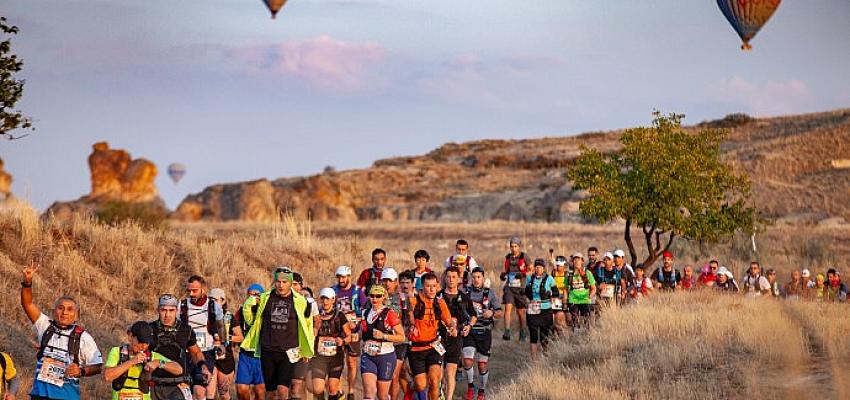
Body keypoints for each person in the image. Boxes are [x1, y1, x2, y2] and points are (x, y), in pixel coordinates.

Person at [20, 262, 103, 400]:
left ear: (76, 315)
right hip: (39, 395)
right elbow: (27, 304)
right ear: (54, 311)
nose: (64, 312)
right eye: (61, 308)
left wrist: (81, 371)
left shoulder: (83, 337)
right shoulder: (45, 326)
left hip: (67, 396)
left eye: (70, 309)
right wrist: (27, 282)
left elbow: (98, 366)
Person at [241, 267, 315, 400]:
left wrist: (307, 350)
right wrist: (250, 302)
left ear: (291, 283)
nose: (281, 285)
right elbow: (250, 320)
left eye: (285, 282)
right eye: (278, 282)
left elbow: (308, 327)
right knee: (270, 392)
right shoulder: (264, 298)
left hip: (289, 351)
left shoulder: (300, 301)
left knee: (283, 389)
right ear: (274, 282)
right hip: (268, 350)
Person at [149, 294, 210, 400]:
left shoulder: (186, 330)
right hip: (154, 384)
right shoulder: (149, 329)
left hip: (178, 385)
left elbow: (195, 352)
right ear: (158, 310)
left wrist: (203, 368)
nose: (167, 315)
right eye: (163, 310)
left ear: (176, 310)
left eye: (171, 310)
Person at [103, 321, 183, 400]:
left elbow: (178, 369)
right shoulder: (117, 352)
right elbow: (107, 376)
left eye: (147, 343)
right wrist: (131, 362)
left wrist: (159, 363)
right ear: (130, 336)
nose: (143, 346)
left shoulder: (152, 356)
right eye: (141, 342)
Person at [407, 273, 454, 400]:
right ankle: (413, 387)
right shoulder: (414, 301)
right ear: (422, 287)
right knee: (421, 385)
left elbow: (449, 321)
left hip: (433, 346)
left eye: (434, 286)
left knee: (434, 380)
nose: (432, 289)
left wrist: (452, 327)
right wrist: (411, 325)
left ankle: (436, 393)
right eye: (428, 286)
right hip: (416, 349)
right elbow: (406, 314)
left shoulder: (440, 303)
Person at [180, 276, 224, 400]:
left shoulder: (213, 306)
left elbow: (221, 326)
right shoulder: (182, 305)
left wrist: (222, 343)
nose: (191, 293)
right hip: (188, 352)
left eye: (194, 290)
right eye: (189, 290)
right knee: (185, 389)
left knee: (200, 390)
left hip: (206, 353)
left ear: (203, 289)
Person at [359, 285, 407, 400]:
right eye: (372, 296)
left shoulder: (390, 314)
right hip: (368, 356)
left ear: (383, 297)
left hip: (385, 357)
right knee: (369, 392)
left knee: (382, 395)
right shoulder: (364, 313)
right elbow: (362, 333)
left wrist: (384, 336)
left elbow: (401, 337)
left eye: (378, 296)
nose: (374, 299)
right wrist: (356, 335)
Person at [462, 267, 502, 400]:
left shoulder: (490, 293)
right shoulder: (465, 292)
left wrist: (492, 313)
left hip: (484, 333)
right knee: (467, 361)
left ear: (483, 278)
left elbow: (499, 312)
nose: (476, 280)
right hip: (469, 331)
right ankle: (470, 386)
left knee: (482, 364)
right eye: (474, 277)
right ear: (470, 279)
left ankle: (482, 391)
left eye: (479, 277)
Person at [438, 267, 476, 400]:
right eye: (448, 277)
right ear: (444, 278)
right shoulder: (438, 296)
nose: (451, 280)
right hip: (439, 338)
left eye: (454, 277)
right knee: (439, 373)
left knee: (450, 372)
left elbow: (473, 315)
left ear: (459, 279)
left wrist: (469, 326)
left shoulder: (464, 297)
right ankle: (439, 394)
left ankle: (448, 398)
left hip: (456, 338)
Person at [310, 288, 352, 400]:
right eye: (323, 298)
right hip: (319, 357)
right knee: (317, 388)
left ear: (333, 300)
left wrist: (342, 341)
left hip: (335, 356)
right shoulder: (315, 315)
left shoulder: (340, 316)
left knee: (332, 388)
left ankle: (338, 395)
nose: (325, 302)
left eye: (327, 299)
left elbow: (349, 336)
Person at [332, 265, 365, 400]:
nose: (341, 280)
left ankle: (351, 391)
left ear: (349, 277)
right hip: (337, 331)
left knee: (351, 362)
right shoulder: (333, 290)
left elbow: (365, 310)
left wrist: (357, 323)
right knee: (337, 361)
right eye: (339, 277)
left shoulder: (357, 291)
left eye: (343, 277)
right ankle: (338, 389)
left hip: (353, 330)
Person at [382, 268, 411, 400]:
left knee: (394, 375)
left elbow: (410, 316)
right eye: (384, 280)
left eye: (390, 281)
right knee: (385, 376)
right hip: (382, 341)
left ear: (395, 282)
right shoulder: (376, 296)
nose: (387, 284)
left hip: (400, 341)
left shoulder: (403, 298)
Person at [292, 273, 321, 400]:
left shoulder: (310, 303)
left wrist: (313, 333)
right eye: (291, 284)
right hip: (287, 346)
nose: (293, 287)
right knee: (287, 385)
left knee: (298, 383)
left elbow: (317, 320)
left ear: (300, 285)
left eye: (295, 284)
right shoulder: (284, 301)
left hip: (303, 348)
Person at [233, 284, 265, 400]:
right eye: (250, 295)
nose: (253, 298)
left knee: (260, 391)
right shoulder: (241, 312)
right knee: (241, 389)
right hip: (245, 354)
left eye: (256, 295)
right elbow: (234, 329)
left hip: (261, 355)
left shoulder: (265, 312)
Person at [524, 259, 559, 359]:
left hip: (545, 309)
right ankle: (534, 360)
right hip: (532, 309)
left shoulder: (550, 279)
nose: (538, 269)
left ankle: (545, 354)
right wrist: (530, 299)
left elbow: (556, 292)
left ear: (543, 268)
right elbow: (526, 292)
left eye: (540, 267)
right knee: (533, 335)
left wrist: (550, 296)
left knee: (544, 335)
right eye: (536, 266)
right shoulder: (529, 278)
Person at [500, 236, 531, 341]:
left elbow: (531, 271)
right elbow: (506, 271)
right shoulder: (508, 257)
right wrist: (503, 275)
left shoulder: (524, 257)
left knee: (521, 312)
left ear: (519, 247)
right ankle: (507, 331)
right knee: (507, 308)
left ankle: (523, 332)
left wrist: (522, 274)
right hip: (510, 287)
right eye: (512, 246)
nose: (513, 248)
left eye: (515, 246)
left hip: (521, 288)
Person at [209, 288, 236, 400]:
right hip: (209, 355)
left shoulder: (228, 316)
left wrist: (224, 338)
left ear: (223, 301)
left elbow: (240, 337)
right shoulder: (205, 314)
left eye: (215, 300)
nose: (212, 302)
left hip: (224, 356)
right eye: (210, 299)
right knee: (209, 393)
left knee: (224, 393)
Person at [397, 270, 417, 400]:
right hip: (401, 339)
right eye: (402, 282)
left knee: (417, 371)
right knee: (401, 369)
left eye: (407, 282)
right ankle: (407, 394)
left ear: (413, 283)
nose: (405, 285)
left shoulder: (419, 297)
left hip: (417, 339)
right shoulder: (395, 299)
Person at [566, 253, 596, 330]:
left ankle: (585, 338)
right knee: (575, 321)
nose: (577, 261)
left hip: (585, 300)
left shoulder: (587, 273)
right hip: (573, 300)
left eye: (579, 259)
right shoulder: (569, 274)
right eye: (575, 259)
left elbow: (593, 288)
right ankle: (575, 338)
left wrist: (589, 297)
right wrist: (565, 303)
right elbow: (565, 290)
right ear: (572, 262)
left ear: (582, 261)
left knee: (586, 322)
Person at [550, 255, 569, 332]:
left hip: (563, 297)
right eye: (557, 265)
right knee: (552, 318)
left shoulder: (567, 274)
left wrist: (565, 300)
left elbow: (567, 288)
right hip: (554, 297)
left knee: (561, 317)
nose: (558, 268)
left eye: (560, 266)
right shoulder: (554, 273)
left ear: (564, 265)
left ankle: (564, 334)